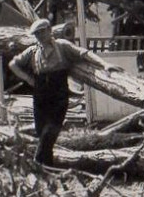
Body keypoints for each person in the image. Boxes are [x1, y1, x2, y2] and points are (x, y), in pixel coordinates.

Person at [7, 18, 89, 168]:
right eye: (37, 34)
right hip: (40, 93)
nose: (40, 36)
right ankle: (48, 168)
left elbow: (83, 53)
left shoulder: (62, 46)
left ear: (50, 30)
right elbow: (13, 64)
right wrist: (27, 79)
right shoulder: (33, 51)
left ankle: (36, 165)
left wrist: (105, 65)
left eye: (42, 32)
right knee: (41, 133)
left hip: (58, 93)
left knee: (50, 130)